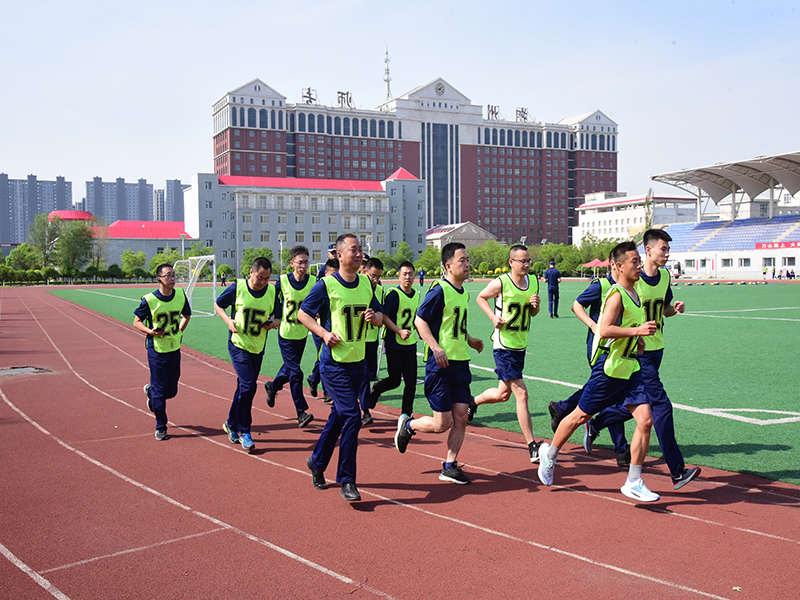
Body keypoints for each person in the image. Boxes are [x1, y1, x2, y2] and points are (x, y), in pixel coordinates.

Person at [538, 241, 661, 502]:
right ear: (618, 266)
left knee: (646, 421)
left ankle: (634, 480)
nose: (639, 266)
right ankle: (549, 456)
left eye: (640, 261)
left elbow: (625, 329)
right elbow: (604, 330)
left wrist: (635, 340)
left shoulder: (636, 293)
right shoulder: (616, 294)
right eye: (634, 262)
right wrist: (636, 331)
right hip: (609, 370)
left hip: (631, 370)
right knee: (578, 417)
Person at [584, 229, 701, 490]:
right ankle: (677, 470)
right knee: (661, 406)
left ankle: (598, 422)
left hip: (657, 349)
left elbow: (664, 310)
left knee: (638, 404)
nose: (667, 254)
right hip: (637, 353)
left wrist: (674, 309)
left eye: (669, 250)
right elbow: (612, 316)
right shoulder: (632, 280)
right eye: (663, 249)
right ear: (648, 250)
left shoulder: (666, 277)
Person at [298, 234, 384, 502]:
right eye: (354, 250)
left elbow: (380, 316)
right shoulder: (325, 285)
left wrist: (375, 317)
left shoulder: (367, 285)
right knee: (352, 417)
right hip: (334, 365)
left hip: (358, 363)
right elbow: (303, 314)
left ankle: (317, 461)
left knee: (339, 416)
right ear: (339, 254)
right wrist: (323, 333)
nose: (359, 255)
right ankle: (347, 479)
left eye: (361, 251)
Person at [394, 242, 484, 485]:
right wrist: (436, 348)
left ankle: (449, 465)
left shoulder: (463, 292)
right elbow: (420, 321)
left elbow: (452, 325)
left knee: (461, 416)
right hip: (440, 365)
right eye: (462, 260)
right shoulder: (439, 290)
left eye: (467, 260)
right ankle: (409, 425)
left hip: (461, 363)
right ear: (448, 265)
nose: (467, 264)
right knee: (441, 423)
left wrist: (470, 339)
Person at [548, 252, 631, 468]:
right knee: (610, 396)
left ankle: (562, 407)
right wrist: (593, 326)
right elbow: (577, 305)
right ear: (615, 265)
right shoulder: (601, 286)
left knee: (599, 390)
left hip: (621, 350)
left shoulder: (631, 288)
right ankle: (621, 449)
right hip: (600, 349)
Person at [467, 245, 543, 462]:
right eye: (522, 261)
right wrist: (493, 317)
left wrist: (535, 306)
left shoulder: (533, 282)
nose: (527, 264)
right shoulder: (501, 283)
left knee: (503, 394)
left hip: (521, 346)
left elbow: (533, 312)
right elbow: (481, 297)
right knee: (522, 394)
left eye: (528, 260)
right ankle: (532, 446)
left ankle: (473, 402)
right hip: (504, 347)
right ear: (511, 262)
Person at [214, 257, 278, 453]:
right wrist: (228, 321)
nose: (263, 282)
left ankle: (230, 424)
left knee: (243, 387)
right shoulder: (238, 287)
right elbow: (218, 305)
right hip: (238, 344)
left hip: (258, 346)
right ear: (251, 272)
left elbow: (278, 318)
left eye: (267, 278)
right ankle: (245, 431)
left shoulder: (272, 291)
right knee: (249, 386)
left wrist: (272, 323)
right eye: (260, 277)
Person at [133, 263, 191, 441]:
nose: (172, 278)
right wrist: (151, 332)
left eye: (174, 275)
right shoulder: (150, 300)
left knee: (171, 390)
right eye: (168, 275)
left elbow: (187, 315)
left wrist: (180, 331)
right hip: (156, 350)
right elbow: (137, 321)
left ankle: (151, 394)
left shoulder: (180, 295)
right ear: (159, 278)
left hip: (174, 348)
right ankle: (161, 426)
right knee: (160, 391)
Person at [264, 245, 315, 429]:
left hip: (301, 334)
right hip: (285, 334)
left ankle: (272, 386)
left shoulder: (313, 282)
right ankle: (301, 412)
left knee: (289, 369)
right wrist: (271, 316)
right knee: (296, 372)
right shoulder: (283, 281)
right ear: (292, 263)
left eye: (306, 262)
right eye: (300, 262)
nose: (304, 266)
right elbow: (271, 297)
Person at [370, 260, 420, 419]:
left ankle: (406, 414)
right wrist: (399, 331)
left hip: (410, 344)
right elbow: (384, 318)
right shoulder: (394, 294)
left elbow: (413, 318)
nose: (408, 277)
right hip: (394, 344)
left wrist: (419, 331)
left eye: (411, 274)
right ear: (399, 276)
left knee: (411, 382)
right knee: (394, 380)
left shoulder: (415, 294)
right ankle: (376, 389)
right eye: (405, 274)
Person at [308, 258, 338, 404]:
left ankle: (313, 379)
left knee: (325, 358)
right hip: (320, 329)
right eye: (331, 274)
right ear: (325, 273)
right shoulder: (321, 287)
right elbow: (307, 310)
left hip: (335, 329)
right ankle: (327, 392)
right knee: (323, 358)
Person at [361, 257, 384, 425]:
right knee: (361, 376)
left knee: (368, 375)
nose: (375, 280)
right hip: (357, 340)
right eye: (372, 276)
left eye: (378, 277)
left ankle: (363, 408)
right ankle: (365, 411)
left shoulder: (380, 290)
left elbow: (381, 313)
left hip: (372, 338)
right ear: (364, 272)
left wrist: (376, 317)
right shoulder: (358, 286)